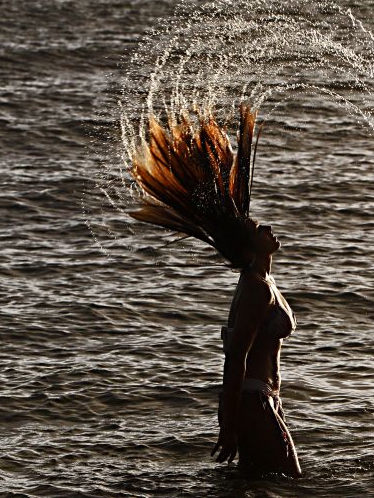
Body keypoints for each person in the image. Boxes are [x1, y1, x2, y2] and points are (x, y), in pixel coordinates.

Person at [128, 104, 302, 477]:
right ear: (250, 246)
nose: (268, 227)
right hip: (253, 402)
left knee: (256, 486)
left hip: (264, 401)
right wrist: (230, 423)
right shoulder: (256, 289)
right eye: (259, 228)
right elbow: (235, 358)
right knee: (290, 483)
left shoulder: (263, 282)